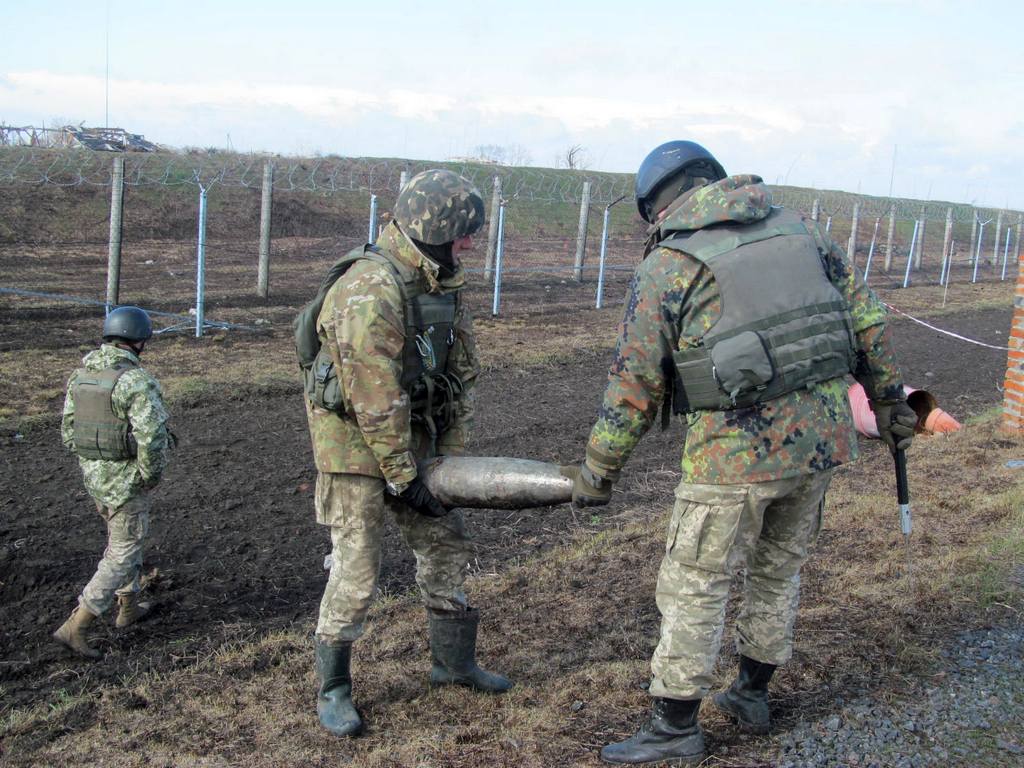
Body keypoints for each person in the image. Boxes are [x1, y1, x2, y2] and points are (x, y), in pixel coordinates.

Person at [567, 141, 917, 765]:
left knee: (696, 582)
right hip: (821, 441)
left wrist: (598, 470)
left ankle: (675, 726)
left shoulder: (670, 262)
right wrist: (889, 400)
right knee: (778, 568)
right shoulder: (806, 234)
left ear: (661, 202)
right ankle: (751, 695)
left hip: (734, 457)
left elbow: (634, 385)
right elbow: (870, 323)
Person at [296, 169, 511, 739]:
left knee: (446, 545)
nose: (471, 242)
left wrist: (449, 462)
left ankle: (453, 665)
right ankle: (334, 687)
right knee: (359, 567)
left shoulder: (440, 279)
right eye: (464, 231)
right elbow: (372, 392)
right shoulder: (370, 287)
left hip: (414, 440)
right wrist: (400, 474)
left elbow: (459, 369)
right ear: (433, 226)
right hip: (356, 451)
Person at [54, 306, 171, 659]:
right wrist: (149, 476)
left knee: (123, 540)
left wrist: (96, 466)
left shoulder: (82, 376)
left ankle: (129, 607)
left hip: (94, 477)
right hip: (125, 481)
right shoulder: (135, 381)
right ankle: (77, 624)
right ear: (139, 340)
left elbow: (69, 434)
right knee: (122, 551)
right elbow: (152, 438)